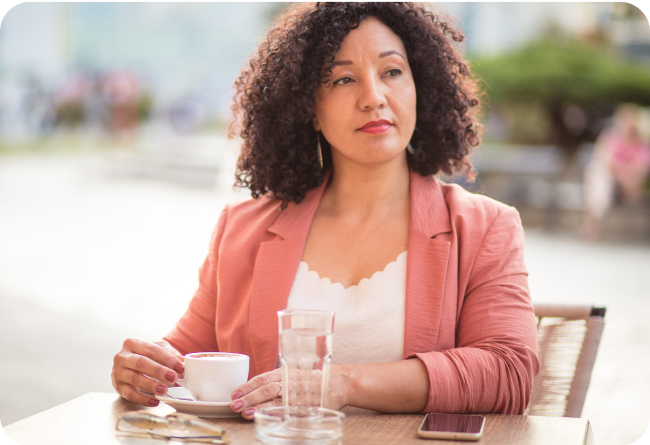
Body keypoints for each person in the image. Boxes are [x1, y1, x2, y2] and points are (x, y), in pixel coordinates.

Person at [112, 3, 539, 419]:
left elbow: (509, 371)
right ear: (310, 110)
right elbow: (186, 361)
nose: (374, 97)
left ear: (419, 88)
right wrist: (144, 371)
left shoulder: (485, 227)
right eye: (342, 80)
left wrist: (341, 384)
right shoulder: (240, 230)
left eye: (392, 72)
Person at [582, 103, 650, 240]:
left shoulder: (641, 144)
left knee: (598, 178)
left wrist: (621, 172)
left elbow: (641, 169)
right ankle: (594, 221)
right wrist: (622, 172)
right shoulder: (610, 138)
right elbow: (605, 160)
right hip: (612, 183)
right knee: (599, 177)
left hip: (629, 187)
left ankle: (592, 224)